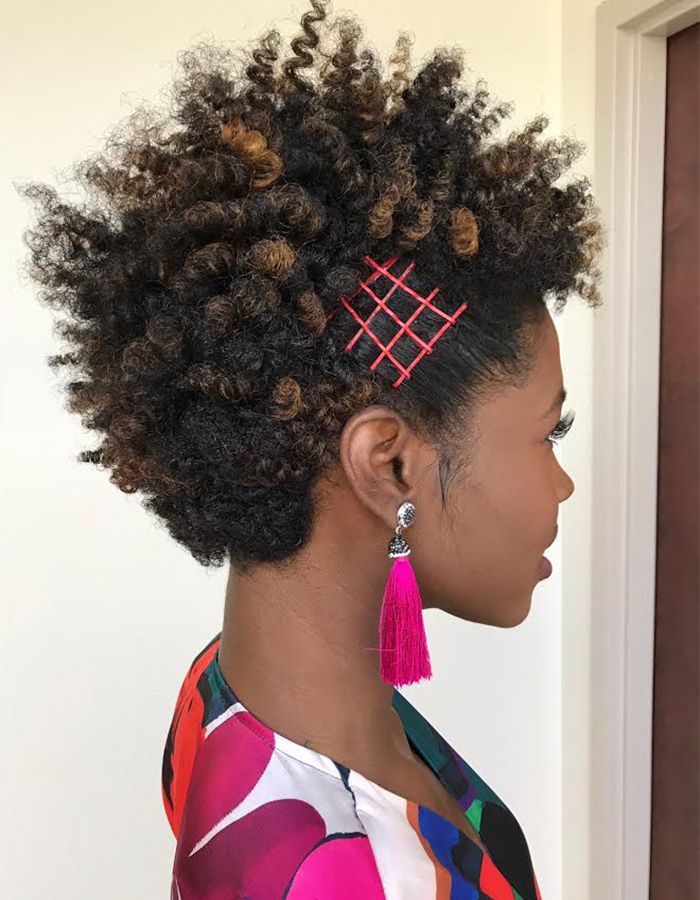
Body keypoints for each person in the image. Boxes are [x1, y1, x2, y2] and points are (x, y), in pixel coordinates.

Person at [18, 0, 604, 895]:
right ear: (389, 464)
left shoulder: (223, 692)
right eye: (548, 432)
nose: (563, 485)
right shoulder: (357, 878)